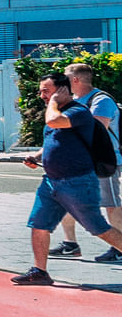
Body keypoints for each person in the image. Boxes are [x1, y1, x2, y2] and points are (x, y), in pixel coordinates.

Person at [14, 72, 122, 285]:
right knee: (39, 224)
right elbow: (51, 140)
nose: (42, 95)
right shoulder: (56, 113)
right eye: (41, 91)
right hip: (51, 181)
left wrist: (53, 102)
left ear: (62, 90)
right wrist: (36, 156)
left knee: (97, 227)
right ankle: (39, 271)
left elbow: (55, 122)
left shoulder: (77, 112)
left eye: (46, 90)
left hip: (77, 182)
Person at [55, 63, 122, 262]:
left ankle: (118, 247)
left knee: (111, 204)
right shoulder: (74, 101)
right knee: (67, 201)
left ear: (75, 80)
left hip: (103, 162)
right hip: (79, 162)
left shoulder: (101, 100)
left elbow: (95, 131)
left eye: (65, 77)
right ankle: (70, 244)